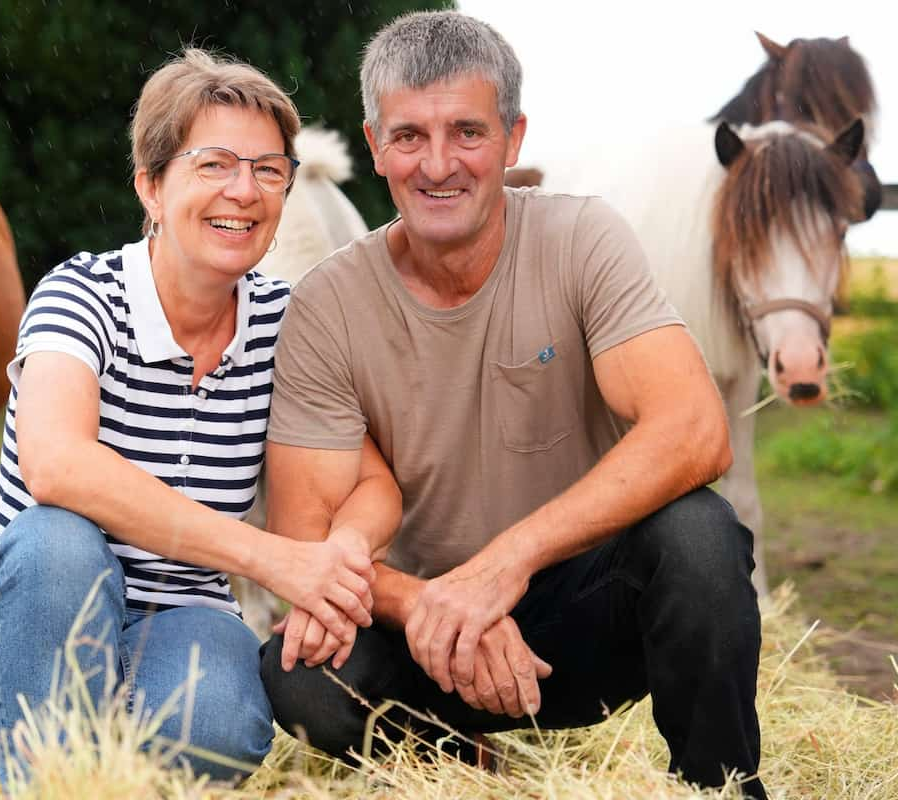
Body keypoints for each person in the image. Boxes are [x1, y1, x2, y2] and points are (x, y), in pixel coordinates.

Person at [259, 11, 766, 800]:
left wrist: (503, 567)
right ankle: (452, 755)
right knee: (302, 672)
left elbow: (697, 431)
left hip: (581, 621)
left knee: (700, 537)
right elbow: (301, 542)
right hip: (419, 633)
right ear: (374, 144)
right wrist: (438, 603)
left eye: (467, 131)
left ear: (514, 137)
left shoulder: (582, 238)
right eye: (409, 136)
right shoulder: (327, 304)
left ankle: (721, 786)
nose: (437, 165)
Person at [0, 49, 400, 791]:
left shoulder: (289, 324)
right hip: (17, 619)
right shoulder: (80, 294)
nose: (243, 191)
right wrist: (273, 560)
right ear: (150, 186)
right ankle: (50, 779)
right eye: (213, 164)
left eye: (269, 169)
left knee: (224, 727)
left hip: (179, 620)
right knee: (58, 542)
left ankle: (100, 742)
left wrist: (335, 563)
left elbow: (373, 483)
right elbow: (56, 464)